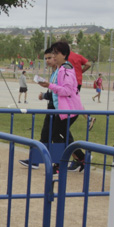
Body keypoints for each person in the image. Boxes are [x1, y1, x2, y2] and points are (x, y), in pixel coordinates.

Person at [21, 41, 85, 172]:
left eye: (55, 54)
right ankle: (78, 160)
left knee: (58, 136)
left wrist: (48, 86)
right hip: (60, 109)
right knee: (56, 135)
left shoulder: (65, 69)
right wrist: (48, 89)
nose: (53, 57)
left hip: (66, 110)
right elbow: (60, 91)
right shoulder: (61, 69)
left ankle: (64, 163)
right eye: (51, 55)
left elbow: (66, 91)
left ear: (64, 54)